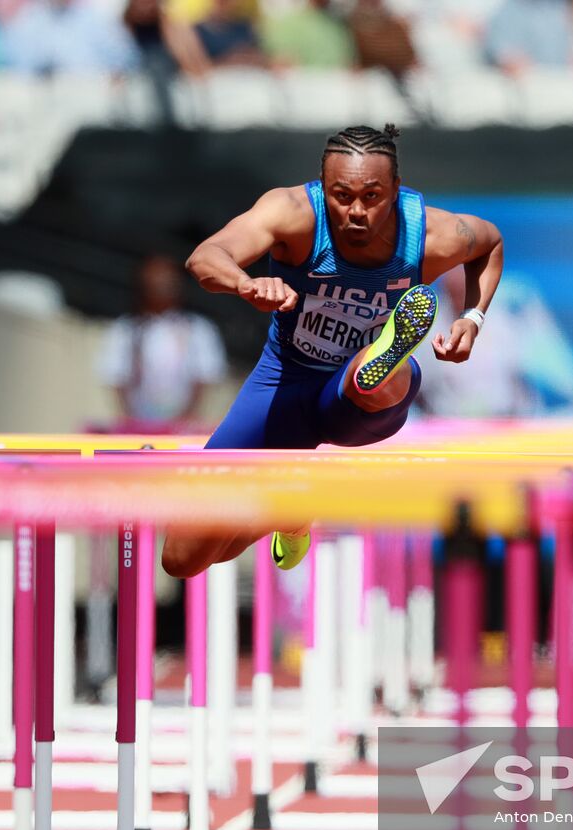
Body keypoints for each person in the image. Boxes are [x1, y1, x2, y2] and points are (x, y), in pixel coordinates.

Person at [160, 124, 503, 578]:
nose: (356, 211)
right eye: (342, 196)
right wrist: (246, 284)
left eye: (372, 196)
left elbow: (490, 243)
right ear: (323, 189)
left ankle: (386, 355)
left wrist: (472, 318)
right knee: (184, 559)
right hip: (282, 387)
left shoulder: (433, 235)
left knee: (367, 375)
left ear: (396, 190)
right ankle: (290, 511)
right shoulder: (292, 213)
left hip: (364, 400)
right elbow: (206, 256)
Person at [96, 254, 228, 432]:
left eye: (169, 279)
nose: (163, 284)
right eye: (156, 278)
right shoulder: (125, 330)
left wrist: (183, 421)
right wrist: (134, 422)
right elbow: (117, 378)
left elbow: (205, 377)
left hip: (184, 428)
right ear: (142, 284)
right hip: (137, 425)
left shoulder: (199, 329)